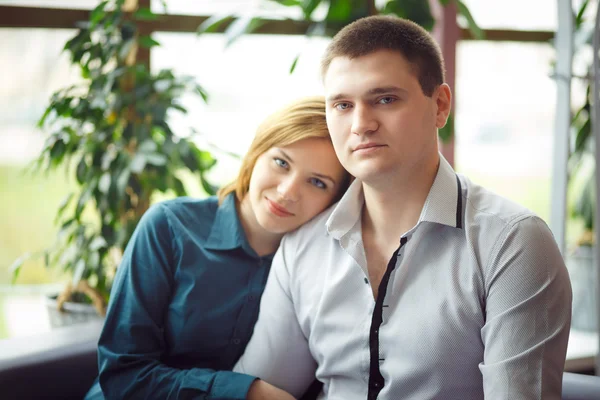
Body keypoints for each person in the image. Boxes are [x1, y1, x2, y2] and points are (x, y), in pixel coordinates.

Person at [234, 16, 572, 400]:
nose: (361, 124)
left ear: (440, 105)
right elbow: (267, 386)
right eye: (343, 104)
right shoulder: (303, 245)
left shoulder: (512, 243)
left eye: (385, 99)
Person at [83, 96, 351, 400]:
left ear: (335, 202)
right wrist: (246, 393)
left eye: (317, 182)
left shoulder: (321, 266)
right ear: (255, 154)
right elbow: (123, 374)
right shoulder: (168, 227)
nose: (287, 191)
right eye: (281, 162)